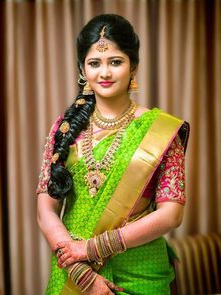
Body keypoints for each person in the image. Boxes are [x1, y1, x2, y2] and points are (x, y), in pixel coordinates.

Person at [36, 14, 189, 295]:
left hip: (140, 274)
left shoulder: (161, 130)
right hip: (73, 275)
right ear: (82, 69)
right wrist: (79, 270)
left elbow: (171, 215)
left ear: (134, 67)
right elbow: (46, 210)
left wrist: (92, 248)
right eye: (94, 63)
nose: (104, 73)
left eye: (115, 62)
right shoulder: (64, 128)